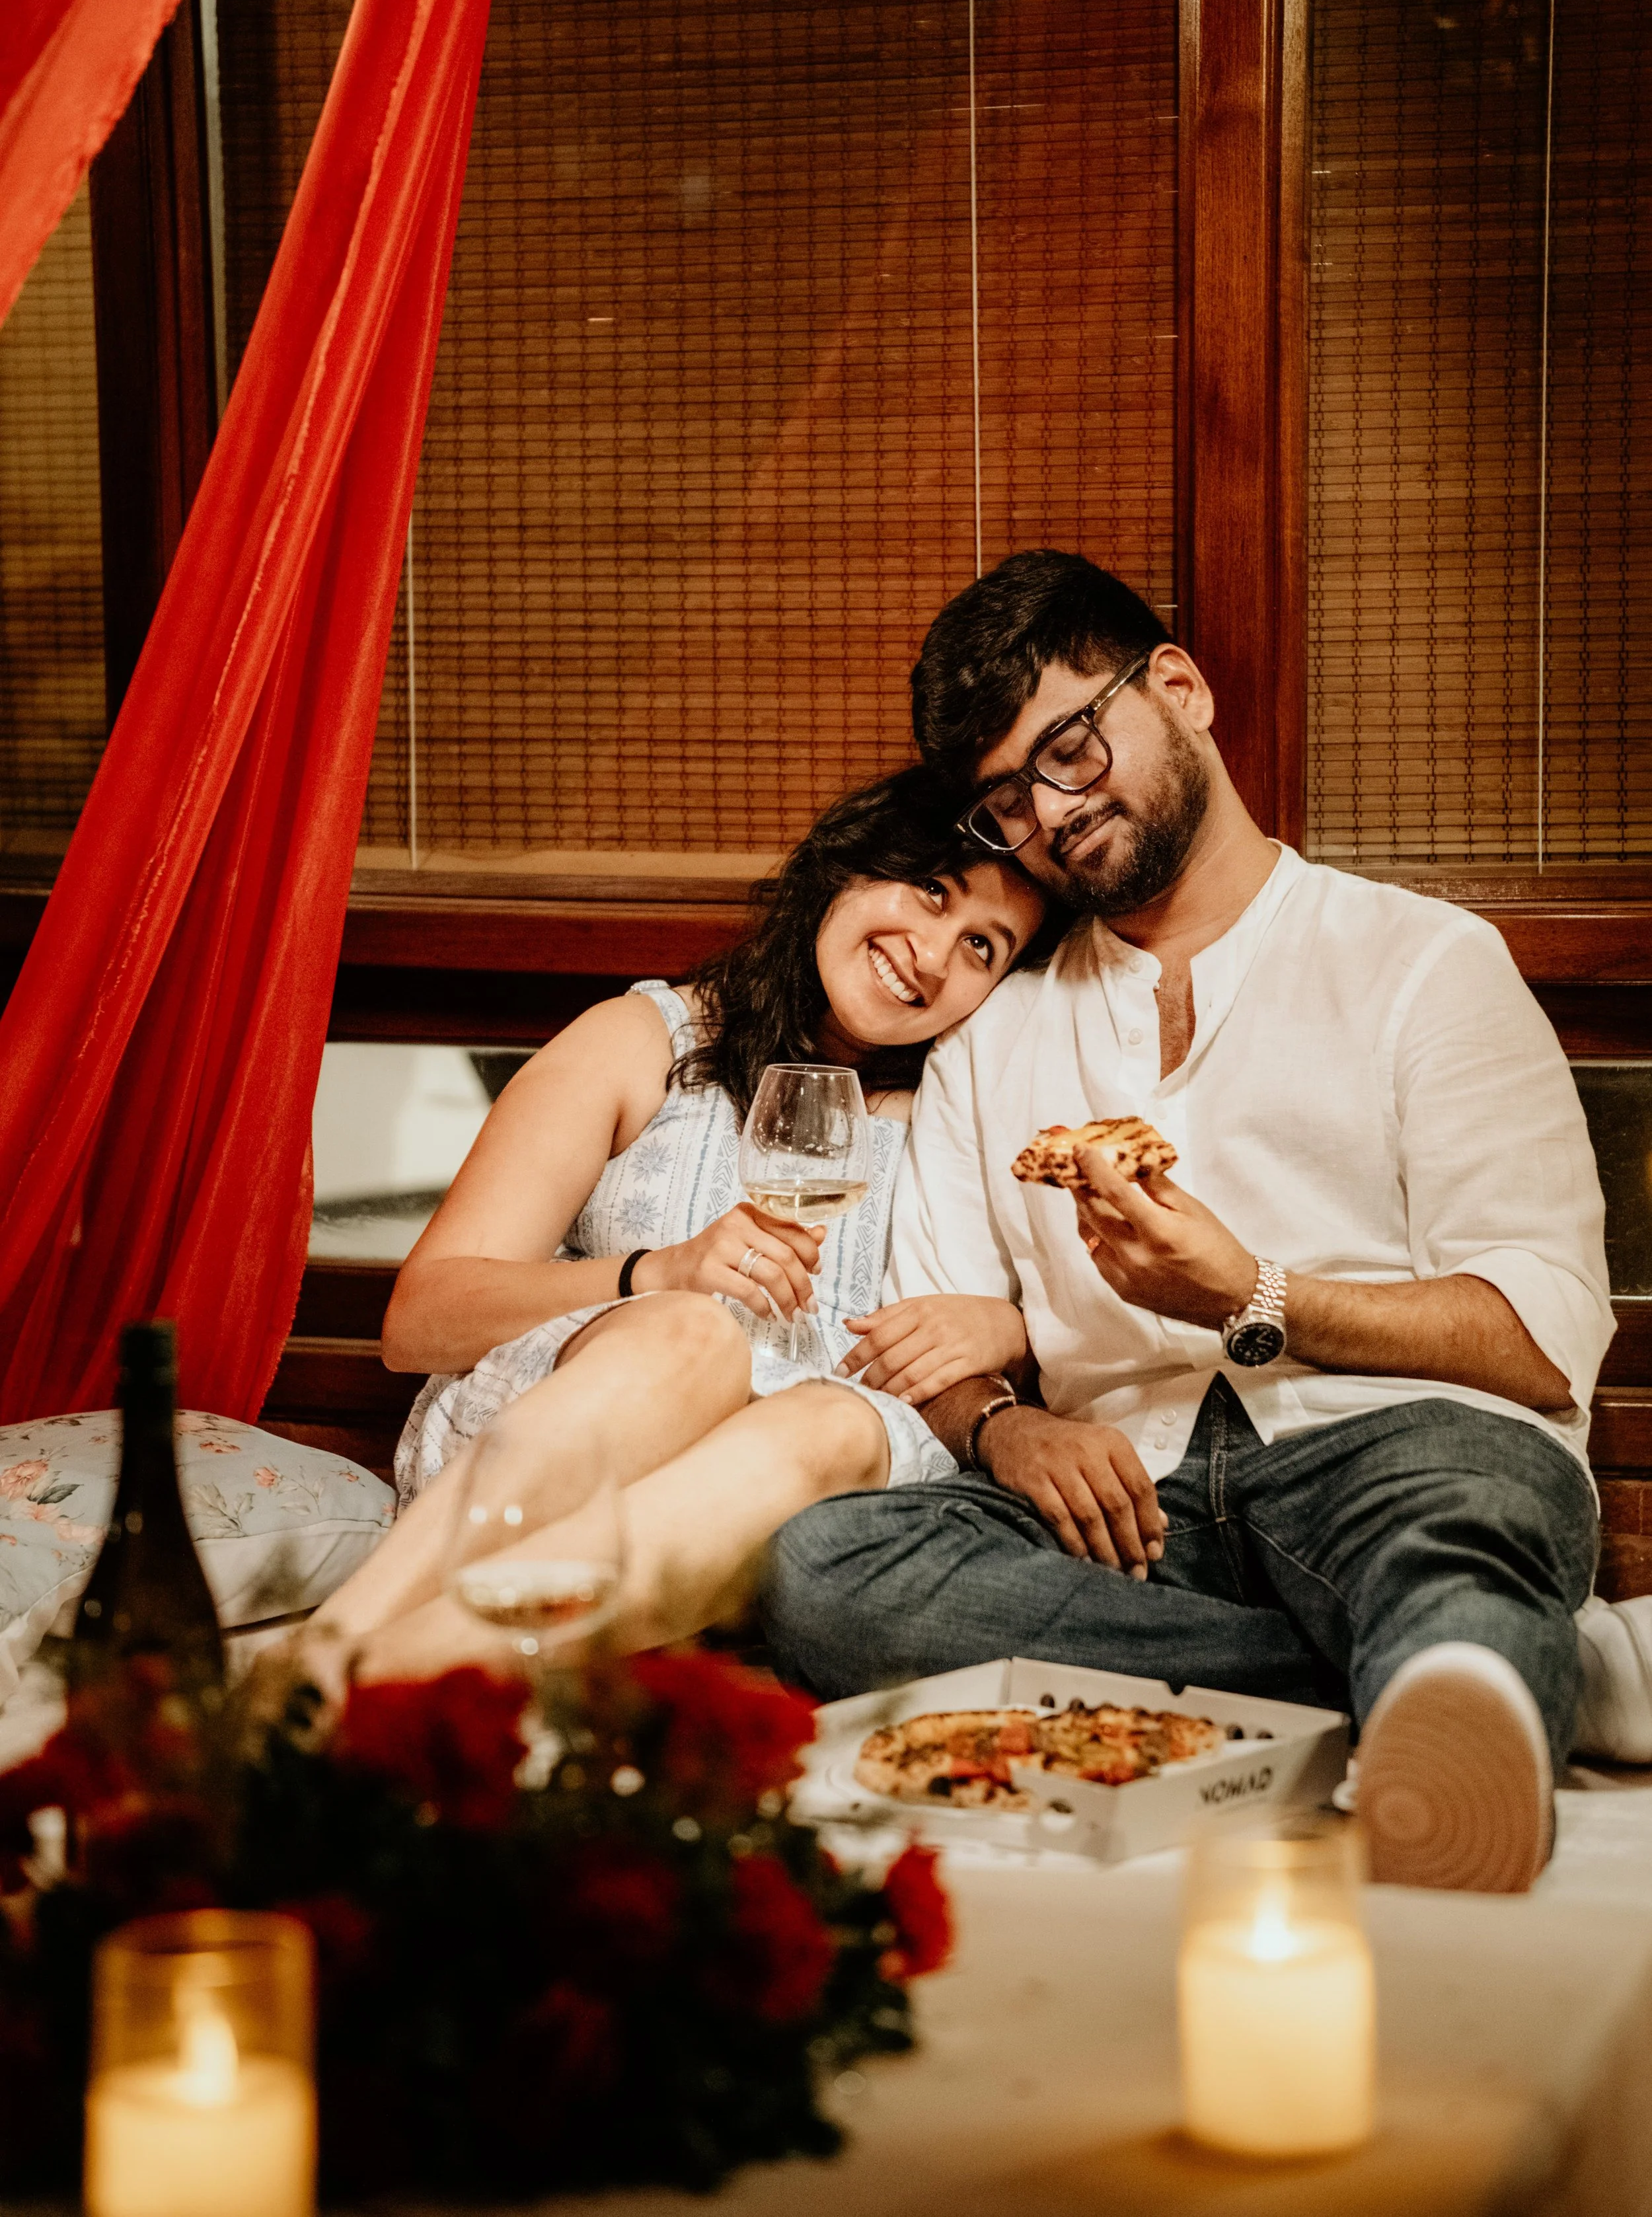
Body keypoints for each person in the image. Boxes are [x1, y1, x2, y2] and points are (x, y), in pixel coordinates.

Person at [762, 549, 1632, 1895]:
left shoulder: (1418, 964)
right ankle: (1478, 1665)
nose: (1048, 814)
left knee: (1474, 1504)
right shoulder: (1002, 1034)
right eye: (1005, 803)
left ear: (1175, 687)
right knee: (826, 1566)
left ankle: (1453, 1637)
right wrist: (1008, 1425)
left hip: (1391, 1455)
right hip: (1130, 1520)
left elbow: (1539, 1342)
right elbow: (939, 1339)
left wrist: (1253, 1297)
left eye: (1066, 748)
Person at [303, 767, 1048, 1682]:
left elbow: (1081, 1317)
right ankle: (332, 1656)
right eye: (932, 890)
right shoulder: (646, 1039)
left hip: (779, 1505)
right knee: (693, 1333)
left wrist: (1008, 1329)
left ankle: (336, 1685)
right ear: (851, 864)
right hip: (559, 1454)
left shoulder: (963, 1113)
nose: (933, 953)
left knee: (838, 1422)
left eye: (983, 945)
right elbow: (417, 1320)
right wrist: (655, 1273)